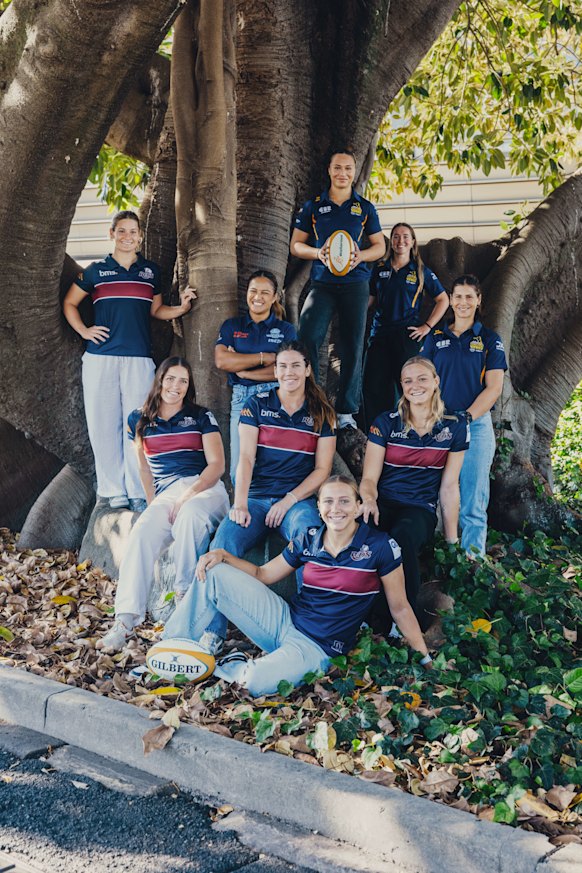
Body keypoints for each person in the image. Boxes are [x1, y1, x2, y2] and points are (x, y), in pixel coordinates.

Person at [164, 476, 433, 697]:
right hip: (283, 620)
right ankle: (170, 651)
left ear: (357, 506)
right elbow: (263, 573)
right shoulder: (309, 538)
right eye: (328, 501)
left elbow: (399, 608)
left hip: (316, 647)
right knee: (215, 571)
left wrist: (425, 659)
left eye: (344, 501)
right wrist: (224, 555)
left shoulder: (380, 547)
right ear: (318, 508)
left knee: (254, 682)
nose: (335, 509)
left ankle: (231, 665)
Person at [206, 341, 337, 653]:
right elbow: (246, 459)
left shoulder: (322, 413)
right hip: (255, 497)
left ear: (307, 370)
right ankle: (212, 632)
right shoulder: (257, 405)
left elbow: (322, 469)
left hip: (297, 501)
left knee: (310, 537)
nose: (288, 372)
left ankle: (310, 630)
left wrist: (289, 500)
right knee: (222, 545)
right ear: (275, 371)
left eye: (295, 365)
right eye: (282, 366)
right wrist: (239, 503)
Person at [63, 210, 195, 510]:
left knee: (138, 424)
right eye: (121, 231)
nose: (127, 237)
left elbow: (156, 310)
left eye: (133, 232)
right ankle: (112, 490)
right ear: (112, 234)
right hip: (100, 359)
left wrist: (181, 308)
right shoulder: (96, 270)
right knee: (102, 425)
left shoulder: (150, 272)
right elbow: (70, 303)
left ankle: (137, 490)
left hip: (138, 358)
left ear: (140, 236)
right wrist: (84, 330)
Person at [97, 357, 229, 650]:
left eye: (183, 381)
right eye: (170, 379)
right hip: (166, 493)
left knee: (190, 516)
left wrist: (185, 497)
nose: (176, 386)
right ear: (159, 380)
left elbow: (217, 465)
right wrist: (153, 503)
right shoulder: (139, 419)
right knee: (142, 532)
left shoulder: (201, 417)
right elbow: (144, 468)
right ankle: (125, 621)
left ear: (189, 386)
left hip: (204, 490)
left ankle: (184, 604)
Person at [360, 357, 468, 629]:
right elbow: (369, 478)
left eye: (422, 379)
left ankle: (399, 622)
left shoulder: (454, 425)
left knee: (401, 538)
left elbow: (449, 486)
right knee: (359, 538)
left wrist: (452, 541)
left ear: (435, 382)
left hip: (419, 507)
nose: (414, 385)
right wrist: (369, 500)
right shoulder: (386, 422)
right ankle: (355, 617)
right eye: (408, 380)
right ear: (401, 386)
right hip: (383, 502)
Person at [290, 148, 386, 430]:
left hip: (356, 284)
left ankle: (346, 412)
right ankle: (314, 402)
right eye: (337, 168)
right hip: (322, 283)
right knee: (307, 336)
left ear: (354, 173)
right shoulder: (314, 206)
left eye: (348, 168)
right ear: (329, 171)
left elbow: (380, 246)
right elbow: (296, 245)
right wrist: (318, 253)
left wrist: (361, 256)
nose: (342, 173)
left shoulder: (364, 208)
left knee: (353, 345)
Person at [420, 275, 507, 556]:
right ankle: (439, 557)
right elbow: (421, 381)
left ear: (479, 300)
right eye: (458, 296)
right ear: (451, 300)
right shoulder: (435, 338)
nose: (463, 302)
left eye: (469, 296)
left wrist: (467, 418)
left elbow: (494, 389)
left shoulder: (489, 340)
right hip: (437, 424)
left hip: (475, 427)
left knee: (473, 499)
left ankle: (472, 563)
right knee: (431, 495)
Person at [362, 222, 449, 430]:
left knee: (410, 387)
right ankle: (378, 433)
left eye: (405, 237)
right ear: (391, 242)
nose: (400, 241)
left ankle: (416, 430)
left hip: (407, 336)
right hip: (380, 335)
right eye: (396, 237)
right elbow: (370, 300)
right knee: (373, 387)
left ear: (412, 242)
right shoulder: (380, 268)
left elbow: (443, 299)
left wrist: (427, 326)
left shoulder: (420, 271)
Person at [215, 270, 296, 482]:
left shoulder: (286, 330)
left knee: (272, 463)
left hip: (275, 398)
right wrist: (264, 357)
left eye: (265, 292)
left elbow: (286, 371)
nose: (257, 297)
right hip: (241, 398)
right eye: (253, 291)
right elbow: (222, 361)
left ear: (275, 297)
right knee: (238, 469)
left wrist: (242, 369)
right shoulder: (232, 326)